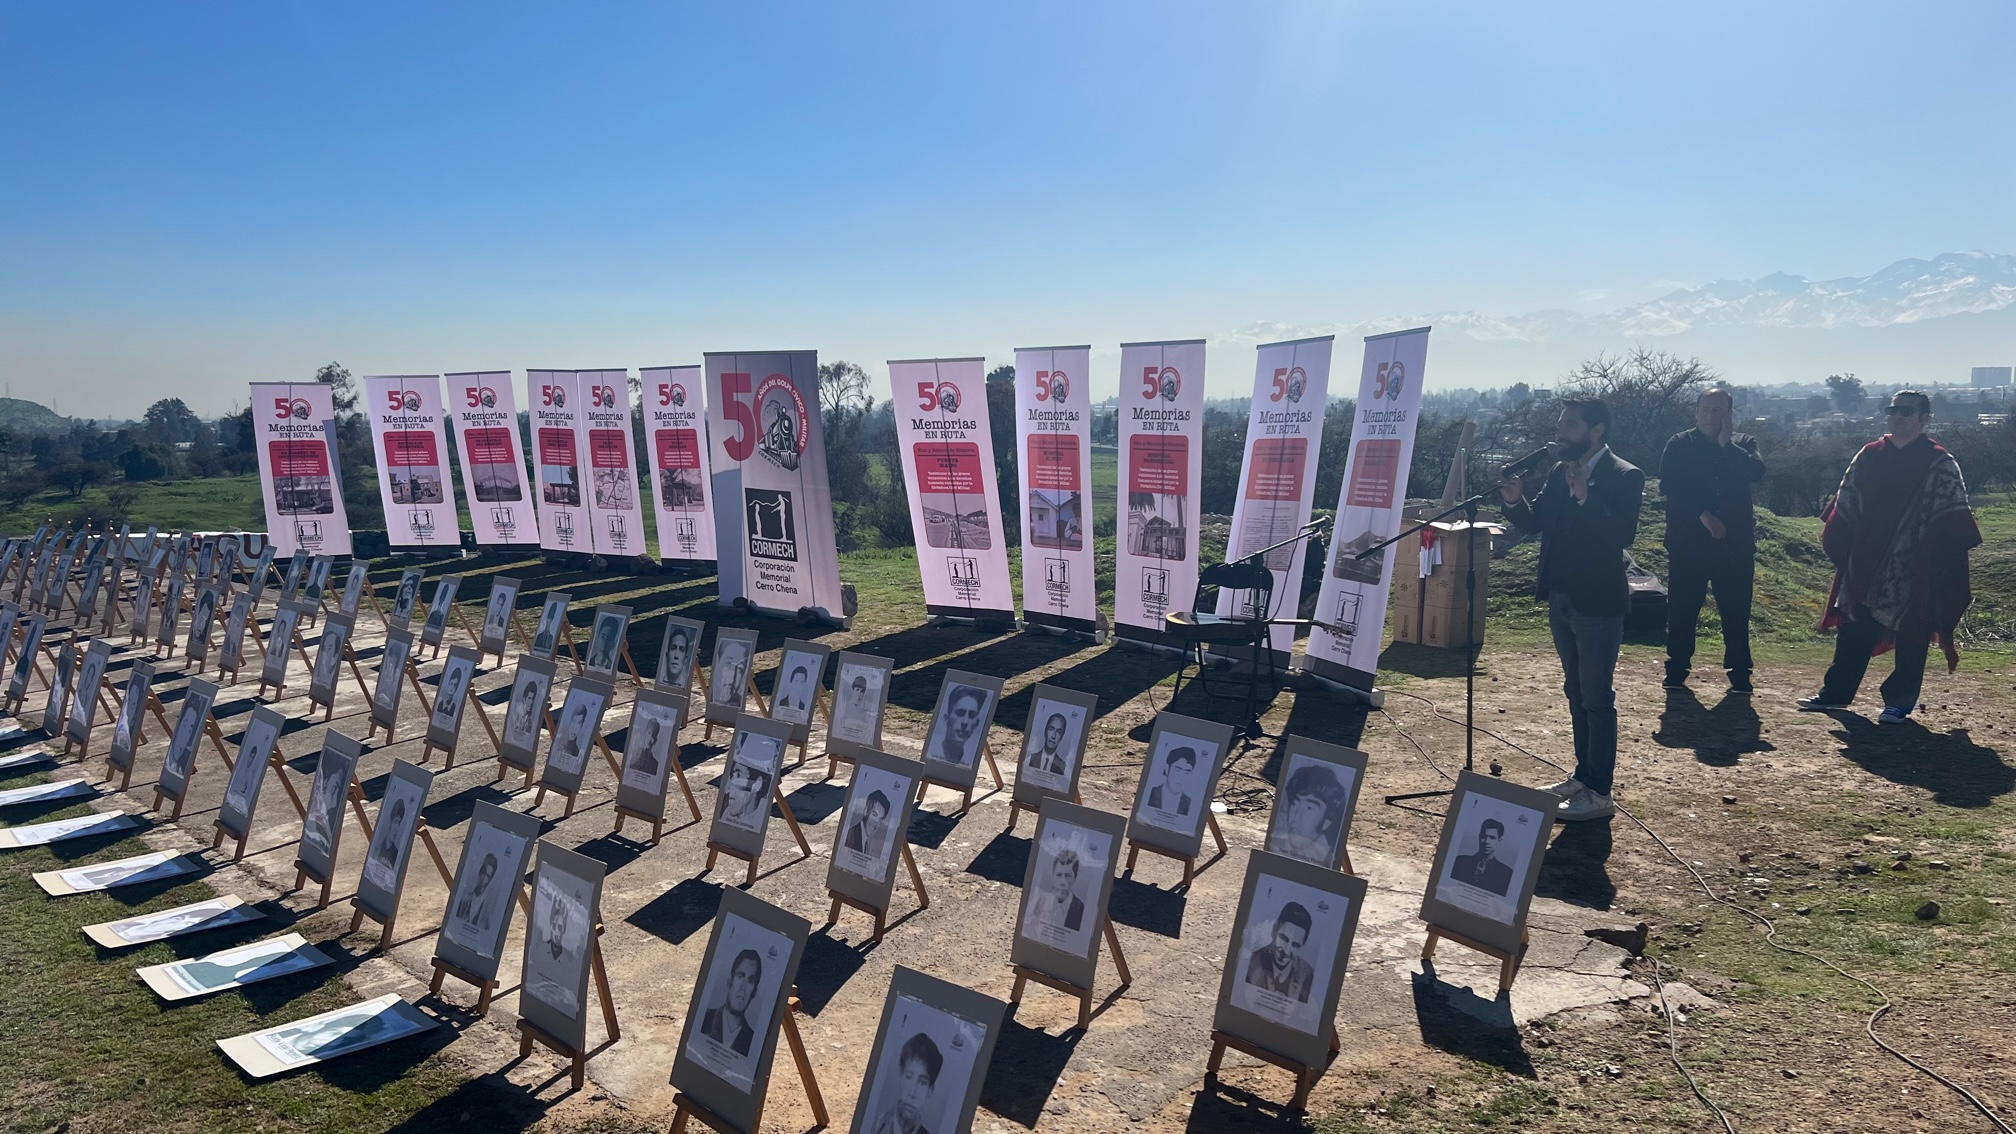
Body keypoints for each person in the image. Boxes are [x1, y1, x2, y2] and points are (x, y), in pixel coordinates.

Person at [1498, 397, 1644, 822]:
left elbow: (1621, 533)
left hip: (1598, 602)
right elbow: (1537, 522)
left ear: (1596, 431)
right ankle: (1582, 776)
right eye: (1562, 424)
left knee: (1597, 697)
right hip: (1560, 598)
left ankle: (1599, 792)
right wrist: (1515, 502)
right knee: (1576, 692)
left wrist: (1585, 498)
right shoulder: (1561, 471)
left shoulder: (1624, 475)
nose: (1561, 432)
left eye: (1571, 424)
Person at [1799, 391, 1981, 723]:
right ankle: (1836, 694)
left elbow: (1952, 515)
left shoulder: (1939, 462)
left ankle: (1899, 701)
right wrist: (1844, 548)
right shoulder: (1870, 455)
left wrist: (1937, 560)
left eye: (1906, 411)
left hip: (1915, 564)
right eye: (1892, 409)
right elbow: (1846, 502)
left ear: (1925, 417)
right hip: (1865, 558)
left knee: (1913, 630)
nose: (1896, 416)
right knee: (1854, 626)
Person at [1659, 387, 1765, 692]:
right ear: (1696, 412)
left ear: (1729, 414)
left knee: (1735, 611)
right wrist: (1701, 514)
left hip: (1734, 548)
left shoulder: (1744, 443)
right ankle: (1677, 669)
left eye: (1718, 410)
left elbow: (1756, 472)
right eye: (1705, 409)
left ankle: (1740, 672)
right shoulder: (1679, 444)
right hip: (1687, 545)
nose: (1710, 416)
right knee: (1682, 610)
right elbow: (1669, 486)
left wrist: (1726, 445)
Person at [1269, 763, 1346, 864]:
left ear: (1327, 820)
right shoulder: (1275, 848)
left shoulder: (1326, 860)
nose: (1297, 816)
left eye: (1309, 808)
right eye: (1294, 804)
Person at [869, 1032, 945, 1134]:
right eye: (909, 1077)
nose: (912, 1093)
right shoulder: (875, 1125)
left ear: (930, 1090)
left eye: (922, 1083)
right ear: (901, 1076)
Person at [1243, 902, 1314, 1002]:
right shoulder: (1250, 962)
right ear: (1274, 930)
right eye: (1284, 939)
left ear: (1302, 945)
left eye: (1295, 945)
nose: (1286, 951)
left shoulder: (1307, 975)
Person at [701, 949, 762, 1055]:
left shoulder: (753, 1042)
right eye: (740, 976)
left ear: (754, 992)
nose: (743, 986)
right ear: (730, 981)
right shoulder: (704, 1019)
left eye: (750, 981)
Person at [1450, 818, 1514, 896]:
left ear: (1499, 840)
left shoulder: (1506, 874)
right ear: (1479, 836)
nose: (1487, 841)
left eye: (1492, 838)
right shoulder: (1459, 861)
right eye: (1484, 836)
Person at [1031, 848, 1085, 935]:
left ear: (1075, 877)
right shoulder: (1039, 901)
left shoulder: (1080, 908)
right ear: (1052, 875)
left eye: (1068, 876)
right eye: (1058, 875)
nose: (1062, 882)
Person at [931, 685, 987, 766]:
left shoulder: (970, 758)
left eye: (971, 715)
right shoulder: (933, 750)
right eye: (960, 713)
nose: (965, 722)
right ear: (946, 718)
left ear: (976, 724)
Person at [452, 851, 501, 935]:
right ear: (479, 873)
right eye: (483, 873)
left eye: (488, 876)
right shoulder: (465, 899)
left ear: (490, 880)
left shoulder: (488, 911)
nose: (484, 880)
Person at [721, 755, 773, 828]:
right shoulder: (726, 813)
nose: (728, 788)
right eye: (732, 776)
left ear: (757, 785)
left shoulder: (758, 824)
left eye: (738, 775)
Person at [1146, 746, 1197, 817]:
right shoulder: (1149, 794)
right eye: (1177, 770)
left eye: (1186, 773)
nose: (1181, 777)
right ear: (1167, 769)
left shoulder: (1191, 804)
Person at [844, 790, 893, 859]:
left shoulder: (870, 841)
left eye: (880, 820)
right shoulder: (851, 835)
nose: (875, 824)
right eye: (874, 815)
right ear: (866, 811)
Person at [1025, 711, 1071, 777]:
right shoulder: (1030, 760)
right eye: (1051, 729)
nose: (1053, 736)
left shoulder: (1064, 768)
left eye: (1058, 732)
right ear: (1045, 731)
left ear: (1062, 737)